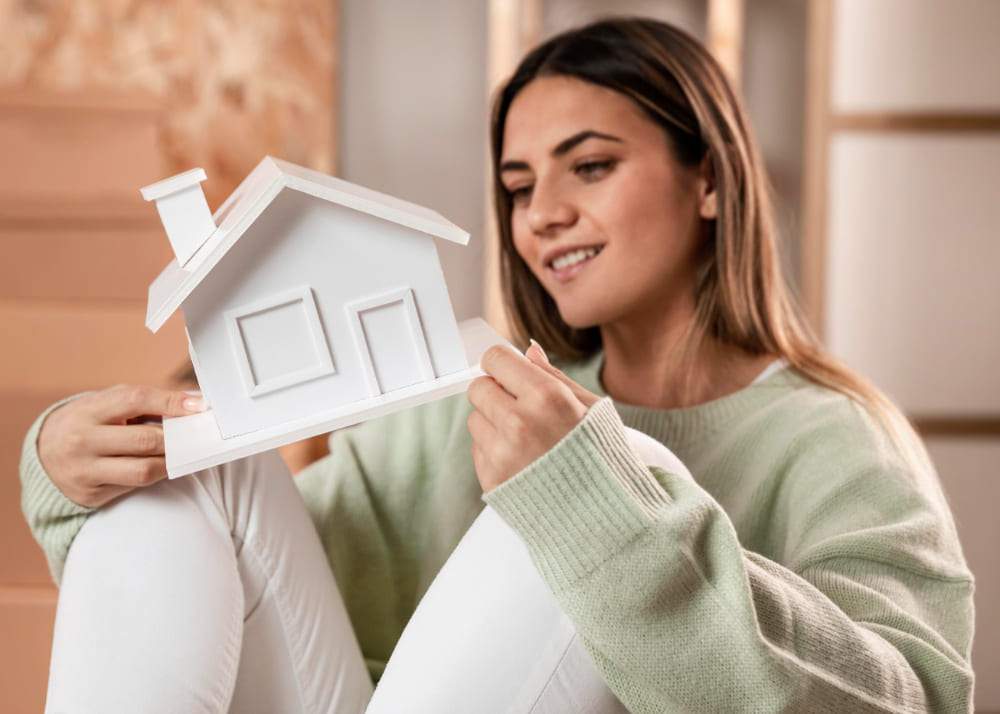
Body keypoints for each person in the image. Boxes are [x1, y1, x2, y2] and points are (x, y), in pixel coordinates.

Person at [20, 17, 974, 714]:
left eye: (589, 166)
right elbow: (227, 583)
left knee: (586, 485)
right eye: (519, 187)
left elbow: (910, 698)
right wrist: (75, 465)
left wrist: (596, 506)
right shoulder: (466, 399)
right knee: (200, 471)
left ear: (711, 181)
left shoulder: (836, 440)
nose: (541, 213)